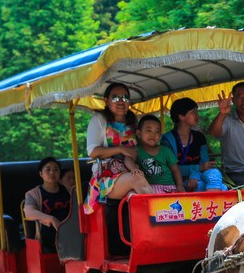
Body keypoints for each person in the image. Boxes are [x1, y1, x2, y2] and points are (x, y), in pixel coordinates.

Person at [83, 83, 152, 214]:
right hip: (106, 176)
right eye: (115, 97)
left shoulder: (133, 122)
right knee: (136, 179)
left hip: (132, 168)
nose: (121, 101)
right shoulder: (99, 119)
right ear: (106, 100)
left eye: (125, 98)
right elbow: (93, 151)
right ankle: (157, 215)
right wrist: (120, 149)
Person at [162, 97, 228, 192]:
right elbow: (171, 169)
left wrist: (195, 175)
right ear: (181, 116)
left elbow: (204, 162)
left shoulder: (199, 137)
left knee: (215, 173)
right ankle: (213, 203)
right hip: (179, 180)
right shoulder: (168, 139)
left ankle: (212, 202)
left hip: (198, 175)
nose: (198, 115)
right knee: (221, 188)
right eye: (193, 112)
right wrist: (198, 169)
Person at [24, 157, 71, 252]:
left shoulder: (69, 191)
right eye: (48, 169)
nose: (52, 173)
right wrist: (52, 219)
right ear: (41, 173)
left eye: (55, 170)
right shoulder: (33, 194)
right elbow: (29, 212)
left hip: (70, 231)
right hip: (48, 236)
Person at [136, 114, 185, 193]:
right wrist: (133, 169)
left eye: (157, 132)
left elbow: (175, 170)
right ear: (139, 133)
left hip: (169, 187)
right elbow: (128, 159)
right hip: (149, 188)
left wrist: (179, 185)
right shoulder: (136, 150)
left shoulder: (165, 151)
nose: (153, 134)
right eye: (149, 131)